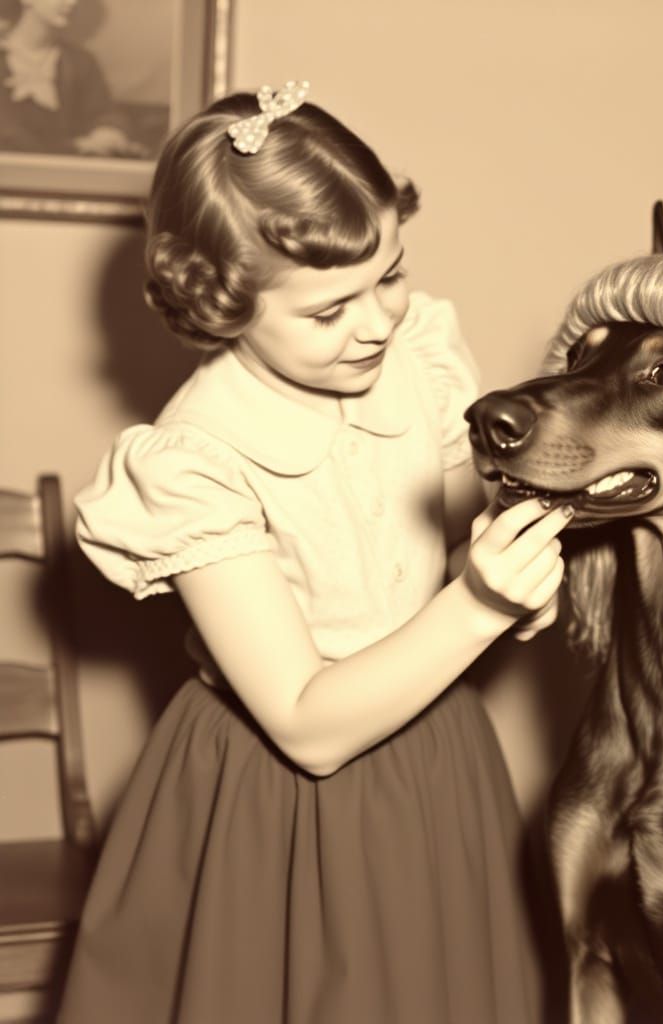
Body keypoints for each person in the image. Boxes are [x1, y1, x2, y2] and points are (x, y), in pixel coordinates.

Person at [59, 81, 569, 1023]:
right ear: (222, 303)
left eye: (390, 275)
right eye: (330, 310)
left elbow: (450, 544)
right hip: (277, 804)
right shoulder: (197, 459)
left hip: (436, 757)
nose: (377, 321)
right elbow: (306, 726)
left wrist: (512, 573)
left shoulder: (417, 358)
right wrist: (480, 606)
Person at [0, 0, 147, 156]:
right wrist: (73, 146)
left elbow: (103, 111)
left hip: (66, 167)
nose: (72, 2)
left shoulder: (79, 61)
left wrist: (108, 131)